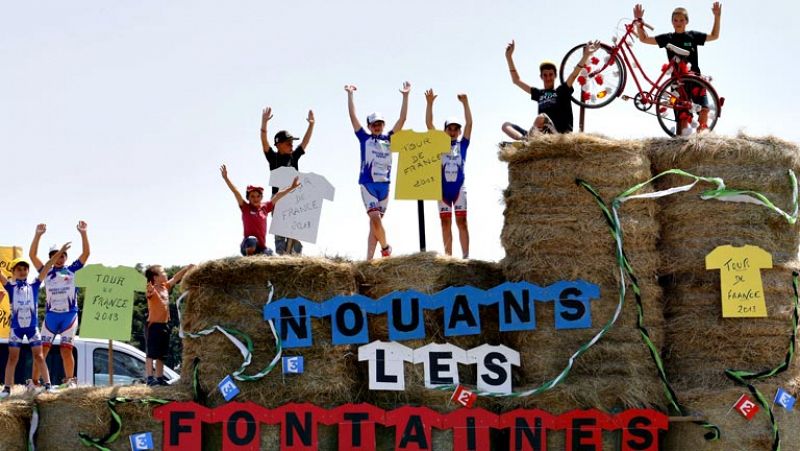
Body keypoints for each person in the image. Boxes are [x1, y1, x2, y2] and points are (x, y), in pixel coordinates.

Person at [345, 81, 411, 260]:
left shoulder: (389, 138)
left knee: (375, 225)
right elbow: (352, 117)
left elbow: (402, 120)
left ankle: (369, 260)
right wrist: (350, 95)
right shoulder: (364, 138)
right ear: (369, 125)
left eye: (380, 123)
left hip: (385, 186)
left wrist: (405, 96)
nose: (377, 126)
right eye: (374, 124)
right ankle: (386, 248)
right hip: (368, 184)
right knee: (375, 219)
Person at [634, 3, 722, 134]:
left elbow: (714, 36)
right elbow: (644, 39)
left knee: (704, 109)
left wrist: (717, 17)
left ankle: (702, 138)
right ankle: (681, 144)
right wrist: (639, 21)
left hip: (695, 79)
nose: (678, 22)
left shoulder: (693, 36)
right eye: (675, 20)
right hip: (677, 82)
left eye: (681, 20)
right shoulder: (668, 38)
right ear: (672, 22)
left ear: (687, 21)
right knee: (682, 118)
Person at [0, 244, 69, 398]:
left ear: (28, 271)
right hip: (16, 329)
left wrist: (60, 252)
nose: (22, 272)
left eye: (25, 269)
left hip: (32, 328)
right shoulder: (10, 287)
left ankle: (48, 385)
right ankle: (6, 388)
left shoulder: (35, 284)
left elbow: (48, 266)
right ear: (13, 272)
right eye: (19, 269)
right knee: (12, 358)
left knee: (39, 357)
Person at [29, 221, 90, 389]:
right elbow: (32, 256)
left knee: (66, 350)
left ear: (66, 258)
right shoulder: (46, 271)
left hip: (69, 315)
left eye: (63, 255)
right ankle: (33, 382)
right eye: (56, 255)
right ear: (51, 258)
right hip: (51, 316)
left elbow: (86, 253)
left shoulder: (73, 270)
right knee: (42, 352)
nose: (60, 258)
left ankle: (70, 380)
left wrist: (83, 233)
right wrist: (38, 235)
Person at [502, 40, 600, 139]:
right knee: (506, 125)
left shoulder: (562, 90)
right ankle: (523, 140)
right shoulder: (539, 94)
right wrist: (509, 57)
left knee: (541, 117)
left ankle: (528, 140)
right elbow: (516, 80)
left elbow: (574, 74)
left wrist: (586, 56)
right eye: (545, 75)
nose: (548, 78)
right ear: (541, 77)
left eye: (550, 75)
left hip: (559, 134)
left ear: (555, 76)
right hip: (541, 132)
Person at [424, 89, 472, 258]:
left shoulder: (463, 144)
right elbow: (429, 124)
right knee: (445, 223)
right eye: (449, 128)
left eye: (455, 129)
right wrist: (429, 103)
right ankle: (449, 257)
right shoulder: (439, 143)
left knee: (462, 222)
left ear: (458, 131)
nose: (452, 131)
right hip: (442, 191)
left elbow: (470, 124)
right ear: (444, 130)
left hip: (459, 189)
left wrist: (465, 103)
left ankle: (466, 257)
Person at [260, 107, 315, 255]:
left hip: (294, 200)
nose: (292, 145)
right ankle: (281, 253)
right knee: (281, 232)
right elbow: (264, 142)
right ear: (278, 145)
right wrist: (264, 123)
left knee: (296, 234)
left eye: (292, 143)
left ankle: (295, 253)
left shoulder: (293, 157)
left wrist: (311, 124)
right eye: (288, 143)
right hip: (278, 200)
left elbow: (305, 142)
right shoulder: (274, 158)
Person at [220, 164, 301, 256]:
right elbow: (236, 191)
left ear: (261, 197)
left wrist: (291, 187)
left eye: (258, 196)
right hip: (248, 245)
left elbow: (278, 195)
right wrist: (226, 178)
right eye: (252, 196)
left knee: (272, 256)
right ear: (248, 198)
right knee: (252, 239)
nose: (256, 199)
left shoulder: (265, 207)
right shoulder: (245, 207)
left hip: (261, 248)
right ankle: (249, 263)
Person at [143, 264, 194, 386]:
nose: (166, 274)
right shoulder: (151, 289)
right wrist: (148, 286)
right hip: (153, 325)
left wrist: (186, 269)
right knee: (151, 353)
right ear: (155, 277)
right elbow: (148, 291)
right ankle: (150, 378)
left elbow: (175, 278)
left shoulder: (165, 287)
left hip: (164, 325)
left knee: (161, 354)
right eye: (163, 272)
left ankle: (159, 378)